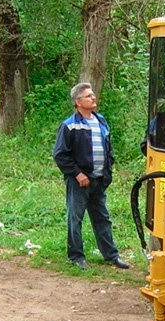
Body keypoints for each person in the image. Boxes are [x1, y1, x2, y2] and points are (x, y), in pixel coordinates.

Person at [53, 82, 130, 270]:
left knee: (102, 218)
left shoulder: (101, 121)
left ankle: (111, 255)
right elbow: (60, 155)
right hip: (79, 182)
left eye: (93, 95)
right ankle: (76, 256)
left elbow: (108, 149)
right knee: (75, 218)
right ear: (78, 102)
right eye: (88, 96)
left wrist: (107, 171)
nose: (93, 98)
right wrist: (78, 174)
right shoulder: (70, 126)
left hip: (98, 181)